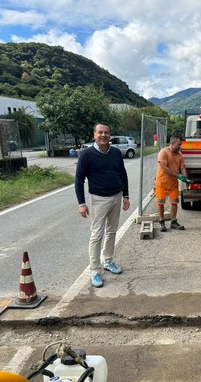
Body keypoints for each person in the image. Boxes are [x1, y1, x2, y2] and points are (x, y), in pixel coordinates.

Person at [75, 122, 130, 288]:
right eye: (100, 132)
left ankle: (107, 260)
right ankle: (95, 270)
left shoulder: (115, 152)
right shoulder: (86, 154)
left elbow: (123, 174)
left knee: (112, 231)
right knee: (97, 234)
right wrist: (81, 203)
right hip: (98, 199)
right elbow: (78, 179)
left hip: (117, 195)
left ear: (110, 135)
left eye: (106, 132)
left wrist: (126, 195)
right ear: (94, 135)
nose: (104, 135)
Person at [155, 132, 189, 232]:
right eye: (178, 144)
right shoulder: (163, 152)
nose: (180, 146)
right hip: (162, 182)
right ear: (173, 143)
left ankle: (173, 222)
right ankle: (161, 222)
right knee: (160, 203)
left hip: (173, 183)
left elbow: (182, 167)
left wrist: (186, 178)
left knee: (174, 202)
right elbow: (164, 168)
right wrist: (177, 175)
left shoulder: (179, 155)